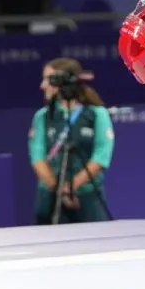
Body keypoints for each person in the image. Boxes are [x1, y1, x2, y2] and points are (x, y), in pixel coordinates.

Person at [28, 57, 114, 225]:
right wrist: (60, 190)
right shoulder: (42, 117)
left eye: (48, 79)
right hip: (50, 196)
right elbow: (37, 156)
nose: (42, 85)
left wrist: (71, 187)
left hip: (88, 196)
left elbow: (101, 156)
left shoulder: (97, 113)